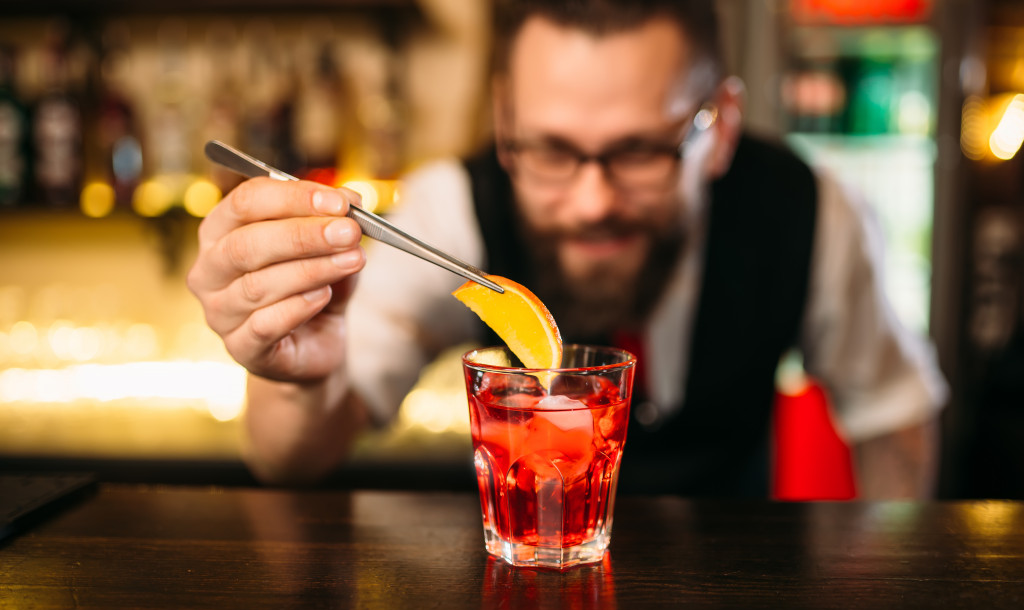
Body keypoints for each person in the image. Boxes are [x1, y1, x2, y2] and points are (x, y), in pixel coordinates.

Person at [187, 0, 947, 498]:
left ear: (722, 126)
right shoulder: (454, 206)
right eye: (550, 151)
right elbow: (288, 458)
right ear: (502, 117)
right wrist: (301, 377)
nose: (591, 202)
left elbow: (895, 423)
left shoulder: (810, 213)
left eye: (641, 151)